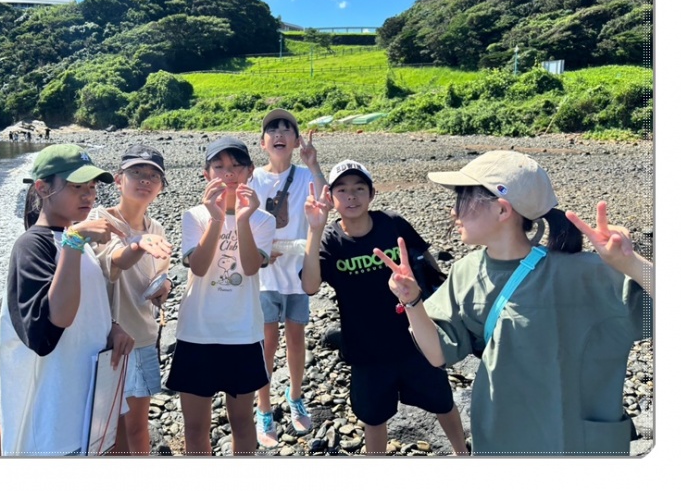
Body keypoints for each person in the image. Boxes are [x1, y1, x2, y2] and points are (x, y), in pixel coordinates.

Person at [374, 150, 653, 456]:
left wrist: (632, 264)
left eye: (463, 199)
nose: (453, 211)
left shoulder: (587, 272)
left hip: (579, 447)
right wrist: (412, 300)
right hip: (502, 438)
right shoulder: (466, 272)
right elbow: (438, 353)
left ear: (502, 210)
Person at [301, 160, 469, 456]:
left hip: (415, 341)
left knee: (443, 402)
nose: (351, 196)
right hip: (366, 351)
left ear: (372, 194)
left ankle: (462, 454)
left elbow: (429, 265)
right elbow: (310, 286)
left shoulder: (392, 223)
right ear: (331, 197)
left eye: (359, 189)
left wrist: (438, 303)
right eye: (342, 190)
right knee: (374, 418)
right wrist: (314, 230)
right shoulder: (330, 241)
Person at [0, 144, 135, 456]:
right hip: (55, 426)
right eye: (76, 187)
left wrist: (112, 328)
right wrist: (74, 240)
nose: (89, 196)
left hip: (90, 404)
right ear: (43, 188)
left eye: (92, 187)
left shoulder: (75, 242)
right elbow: (52, 324)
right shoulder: (33, 246)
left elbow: (86, 306)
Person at [165, 137, 276, 455]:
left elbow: (251, 268)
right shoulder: (194, 216)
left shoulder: (262, 219)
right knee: (195, 427)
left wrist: (241, 219)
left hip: (242, 334)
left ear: (250, 171)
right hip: (197, 333)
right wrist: (216, 218)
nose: (229, 173)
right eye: (219, 166)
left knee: (242, 423)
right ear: (206, 174)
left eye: (237, 166)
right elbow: (199, 267)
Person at [89, 145, 174, 456]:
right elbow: (115, 261)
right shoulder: (100, 220)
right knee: (107, 428)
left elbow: (159, 275)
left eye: (153, 176)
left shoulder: (157, 228)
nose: (145, 180)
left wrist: (165, 286)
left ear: (161, 188)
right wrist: (137, 244)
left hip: (144, 336)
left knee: (137, 427)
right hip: (108, 341)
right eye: (136, 173)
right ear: (118, 180)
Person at [249, 109, 326, 447]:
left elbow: (325, 202)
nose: (279, 133)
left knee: (296, 338)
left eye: (286, 129)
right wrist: (260, 249)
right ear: (262, 143)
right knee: (266, 343)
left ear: (296, 141)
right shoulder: (254, 178)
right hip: (264, 273)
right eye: (272, 129)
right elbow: (241, 218)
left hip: (297, 271)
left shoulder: (305, 174)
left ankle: (295, 395)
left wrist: (314, 164)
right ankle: (263, 408)